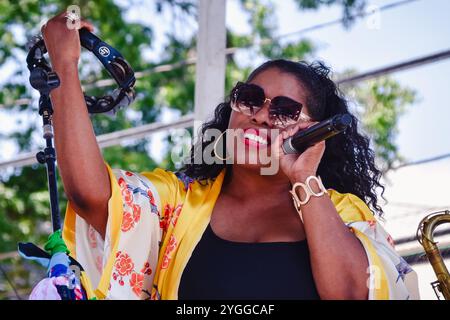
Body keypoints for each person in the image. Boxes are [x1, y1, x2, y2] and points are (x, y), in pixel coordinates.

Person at [41, 12, 419, 300]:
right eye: (250, 98)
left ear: (312, 130)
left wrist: (305, 179)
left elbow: (355, 294)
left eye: (284, 110)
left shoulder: (343, 214)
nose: (259, 114)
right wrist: (65, 65)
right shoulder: (178, 204)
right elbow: (91, 193)